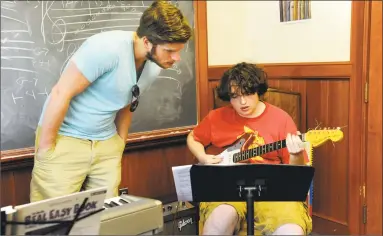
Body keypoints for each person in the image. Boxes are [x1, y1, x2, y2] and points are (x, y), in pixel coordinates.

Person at [30, 0, 192, 202]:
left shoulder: (155, 63)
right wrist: (46, 148)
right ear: (147, 41)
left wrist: (118, 144)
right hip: (66, 140)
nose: (176, 58)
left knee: (107, 220)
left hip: (106, 144)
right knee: (54, 223)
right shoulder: (105, 48)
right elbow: (60, 93)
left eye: (178, 51)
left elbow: (127, 99)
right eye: (170, 51)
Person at [186, 62, 312, 235]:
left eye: (248, 93)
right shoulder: (216, 117)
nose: (242, 102)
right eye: (235, 96)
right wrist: (203, 157)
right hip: (225, 189)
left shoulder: (281, 119)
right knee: (219, 221)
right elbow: (193, 137)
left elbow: (296, 173)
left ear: (258, 90)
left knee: (290, 230)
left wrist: (296, 153)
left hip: (273, 192)